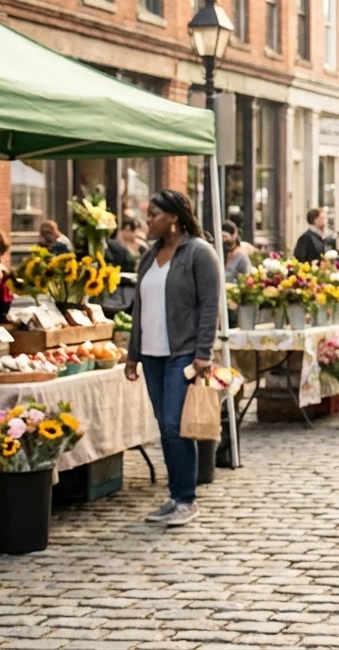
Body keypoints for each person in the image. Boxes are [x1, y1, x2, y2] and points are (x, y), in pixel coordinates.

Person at [124, 190, 221, 528]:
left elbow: (210, 306)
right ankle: (176, 494)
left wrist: (202, 355)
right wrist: (132, 354)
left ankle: (186, 499)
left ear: (175, 218)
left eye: (153, 214)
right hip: (151, 355)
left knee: (174, 425)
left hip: (182, 353)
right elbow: (140, 308)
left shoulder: (199, 253)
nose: (147, 220)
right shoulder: (149, 256)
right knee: (165, 430)